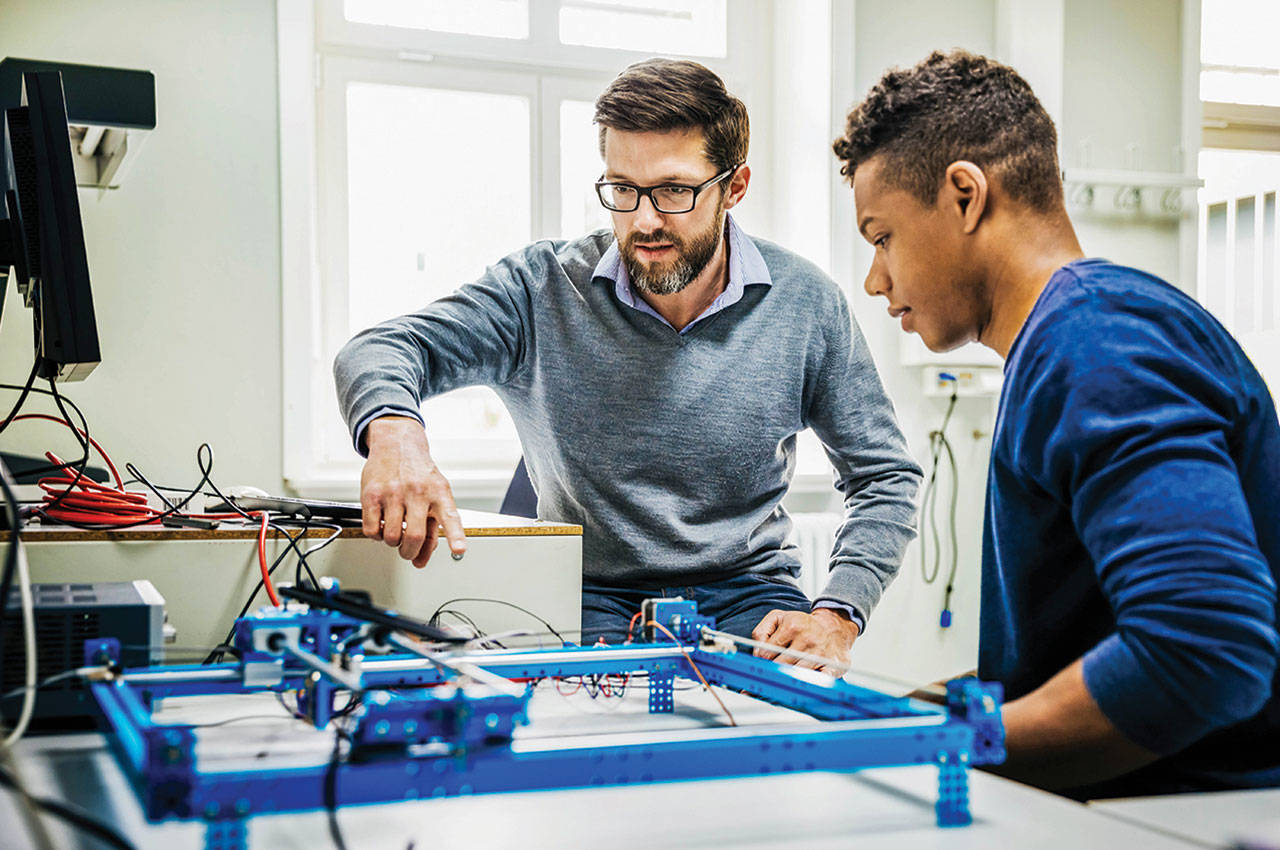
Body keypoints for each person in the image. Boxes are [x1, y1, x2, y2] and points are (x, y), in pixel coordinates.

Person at [334, 59, 922, 667]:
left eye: (674, 191)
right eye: (622, 189)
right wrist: (397, 437)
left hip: (752, 600)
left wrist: (837, 614)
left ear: (735, 186)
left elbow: (885, 476)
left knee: (787, 742)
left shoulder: (805, 304)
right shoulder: (540, 290)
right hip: (588, 596)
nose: (643, 221)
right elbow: (378, 349)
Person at [834, 48, 1280, 797]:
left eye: (882, 237)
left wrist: (951, 745)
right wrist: (947, 705)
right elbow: (1097, 632)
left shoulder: (1094, 342)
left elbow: (1205, 647)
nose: (877, 279)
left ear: (966, 196)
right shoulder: (1071, 338)